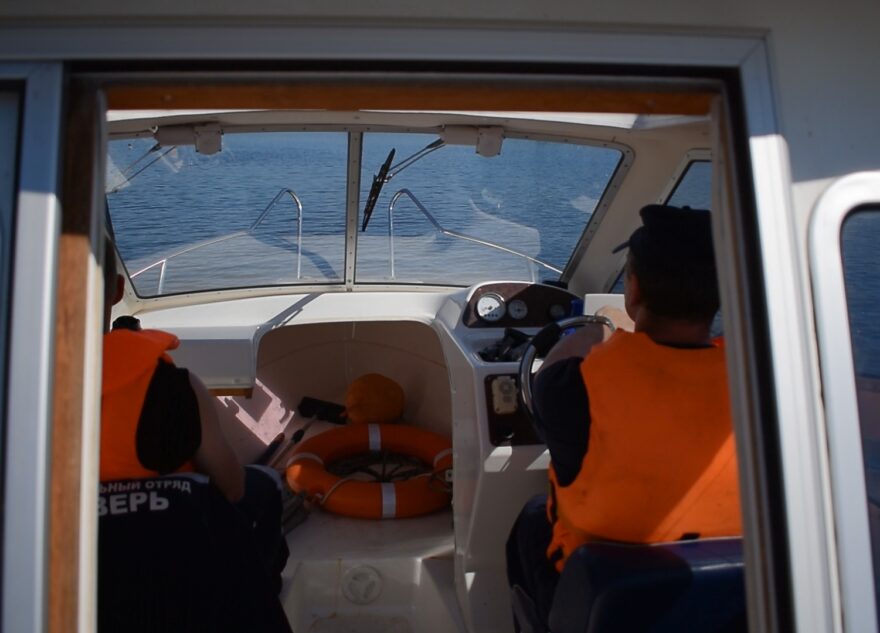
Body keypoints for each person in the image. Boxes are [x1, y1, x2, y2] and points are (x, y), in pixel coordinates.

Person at [506, 204, 742, 628]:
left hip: (607, 600)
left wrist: (601, 326)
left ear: (633, 292)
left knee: (530, 520)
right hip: (726, 596)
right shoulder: (758, 384)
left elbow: (559, 358)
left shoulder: (570, 387)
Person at [99, 232, 291, 631]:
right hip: (177, 549)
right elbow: (233, 488)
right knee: (266, 485)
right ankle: (264, 592)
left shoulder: (21, 383)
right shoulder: (175, 385)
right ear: (118, 290)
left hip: (85, 561)